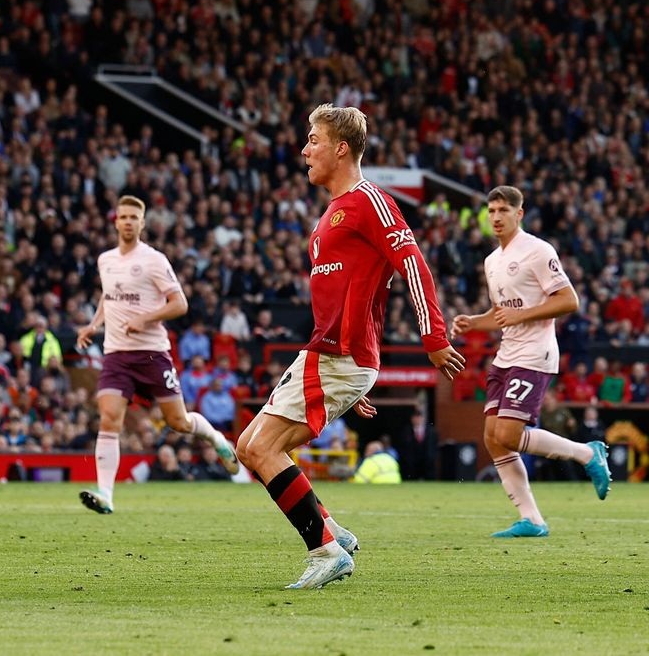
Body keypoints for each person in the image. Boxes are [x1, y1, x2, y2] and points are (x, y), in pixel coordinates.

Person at [235, 104, 466, 589]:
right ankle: (331, 532)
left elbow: (413, 264)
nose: (304, 149)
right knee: (248, 448)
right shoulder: (331, 214)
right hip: (331, 356)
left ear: (341, 148)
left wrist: (434, 338)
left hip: (339, 357)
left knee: (260, 449)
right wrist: (351, 380)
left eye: (313, 139)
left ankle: (326, 549)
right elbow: (344, 295)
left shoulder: (369, 201)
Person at [451, 185, 610, 539]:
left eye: (503, 211)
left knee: (507, 434)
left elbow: (569, 300)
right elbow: (503, 313)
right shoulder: (492, 261)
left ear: (518, 214)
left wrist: (524, 317)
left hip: (535, 353)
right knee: (493, 438)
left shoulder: (538, 250)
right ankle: (532, 520)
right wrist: (474, 322)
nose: (495, 217)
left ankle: (587, 453)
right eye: (491, 211)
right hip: (506, 354)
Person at [76, 195, 239, 514]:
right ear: (115, 221)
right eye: (122, 216)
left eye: (133, 217)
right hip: (117, 354)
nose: (127, 222)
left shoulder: (154, 260)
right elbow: (108, 297)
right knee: (109, 418)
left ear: (142, 223)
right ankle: (106, 494)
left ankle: (216, 439)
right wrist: (93, 325)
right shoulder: (105, 260)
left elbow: (180, 304)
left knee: (177, 422)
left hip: (151, 353)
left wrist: (144, 318)